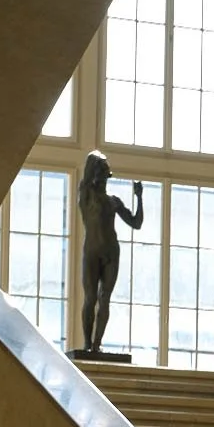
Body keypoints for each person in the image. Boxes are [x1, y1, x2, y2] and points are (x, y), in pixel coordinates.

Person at [76, 150, 144, 354]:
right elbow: (88, 168)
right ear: (94, 172)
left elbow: (136, 222)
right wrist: (95, 159)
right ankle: (88, 344)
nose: (104, 173)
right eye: (101, 168)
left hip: (111, 252)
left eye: (105, 169)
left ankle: (97, 344)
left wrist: (139, 198)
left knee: (105, 298)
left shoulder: (114, 201)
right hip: (92, 251)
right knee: (90, 298)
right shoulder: (87, 195)